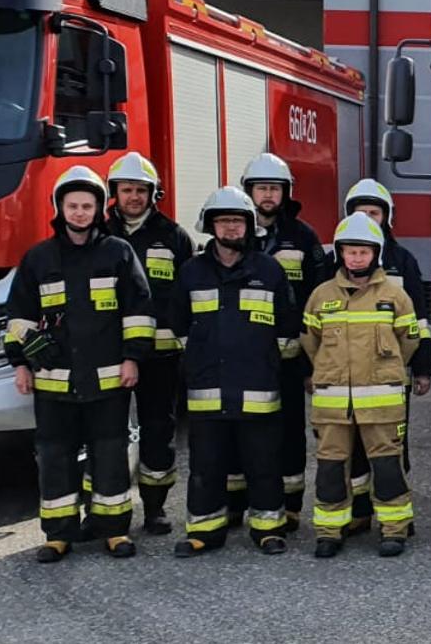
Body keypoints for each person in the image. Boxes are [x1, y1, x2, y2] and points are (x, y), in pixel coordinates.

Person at [4, 167, 153, 562]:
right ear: (60, 208)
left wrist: (132, 358)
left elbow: (138, 310)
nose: (81, 212)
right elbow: (17, 317)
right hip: (53, 384)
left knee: (110, 455)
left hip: (108, 380)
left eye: (88, 205)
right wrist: (20, 364)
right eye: (73, 205)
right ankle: (59, 534)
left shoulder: (118, 252)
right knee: (55, 458)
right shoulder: (38, 258)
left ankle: (114, 531)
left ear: (100, 208)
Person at [169, 186, 301, 557]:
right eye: (223, 221)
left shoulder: (269, 271)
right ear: (211, 227)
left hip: (258, 388)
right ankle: (205, 532)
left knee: (263, 463)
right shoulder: (192, 273)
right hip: (208, 388)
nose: (231, 228)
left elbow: (288, 328)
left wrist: (266, 364)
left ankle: (268, 528)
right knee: (207, 465)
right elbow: (177, 325)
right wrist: (198, 360)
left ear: (249, 226)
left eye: (237, 221)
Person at [301, 212, 422, 558]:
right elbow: (310, 342)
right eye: (351, 251)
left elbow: (409, 340)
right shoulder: (321, 296)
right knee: (330, 468)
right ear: (340, 253)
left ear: (376, 254)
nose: (357, 258)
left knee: (387, 467)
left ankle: (394, 529)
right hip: (333, 403)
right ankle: (329, 531)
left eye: (363, 252)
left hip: (381, 403)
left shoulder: (394, 296)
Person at [104, 151, 195, 535]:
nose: (134, 198)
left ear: (153, 193)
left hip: (160, 358)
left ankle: (155, 508)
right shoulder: (97, 234)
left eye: (141, 190)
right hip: (108, 355)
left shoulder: (174, 237)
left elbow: (190, 296)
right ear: (114, 193)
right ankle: (107, 512)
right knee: (107, 433)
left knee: (159, 430)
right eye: (127, 190)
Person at [240, 153, 333, 529]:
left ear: (285, 193)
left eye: (274, 189)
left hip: (291, 359)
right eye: (261, 188)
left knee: (290, 432)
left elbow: (319, 300)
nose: (267, 196)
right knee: (245, 432)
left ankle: (291, 506)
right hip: (244, 356)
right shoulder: (232, 230)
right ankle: (240, 505)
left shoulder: (303, 236)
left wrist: (314, 365)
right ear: (249, 192)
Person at [342, 179, 431, 536]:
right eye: (359, 213)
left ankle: (396, 516)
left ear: (387, 218)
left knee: (392, 447)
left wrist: (423, 370)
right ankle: (361, 512)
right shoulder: (336, 262)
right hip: (347, 379)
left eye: (374, 213)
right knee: (354, 448)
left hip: (391, 377)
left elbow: (419, 323)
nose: (367, 219)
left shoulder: (402, 262)